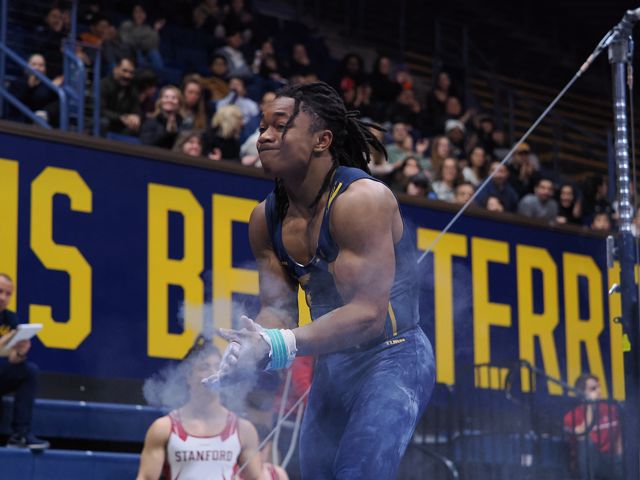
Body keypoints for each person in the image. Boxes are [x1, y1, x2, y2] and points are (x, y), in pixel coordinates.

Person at [206, 82, 435, 479]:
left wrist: (282, 343)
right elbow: (278, 309)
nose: (264, 137)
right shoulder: (264, 219)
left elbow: (368, 316)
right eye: (262, 127)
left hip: (393, 356)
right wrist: (255, 341)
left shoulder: (362, 201)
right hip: (334, 364)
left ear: (321, 140)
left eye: (280, 126)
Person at [136, 339, 265, 480]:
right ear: (188, 376)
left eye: (218, 367)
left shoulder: (243, 430)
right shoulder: (163, 428)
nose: (213, 373)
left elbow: (256, 478)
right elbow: (146, 477)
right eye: (204, 367)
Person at [0, 274, 49, 449]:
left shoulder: (10, 318)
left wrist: (20, 352)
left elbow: (12, 359)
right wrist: (5, 340)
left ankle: (21, 435)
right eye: (0, 291)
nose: (3, 297)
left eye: (8, 294)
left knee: (29, 371)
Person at [563, 374, 622, 479]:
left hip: (611, 460)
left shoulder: (611, 409)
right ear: (582, 394)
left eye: (599, 387)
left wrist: (619, 455)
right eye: (593, 389)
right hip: (588, 462)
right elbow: (583, 434)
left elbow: (619, 436)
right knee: (587, 445)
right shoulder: (571, 416)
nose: (598, 391)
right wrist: (590, 405)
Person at [100, 56, 141, 136]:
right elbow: (101, 110)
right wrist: (120, 117)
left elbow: (136, 109)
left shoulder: (132, 89)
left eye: (131, 73)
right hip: (105, 120)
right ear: (115, 69)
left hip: (120, 124)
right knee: (104, 122)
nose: (127, 76)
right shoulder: (103, 84)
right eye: (124, 71)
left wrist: (136, 117)